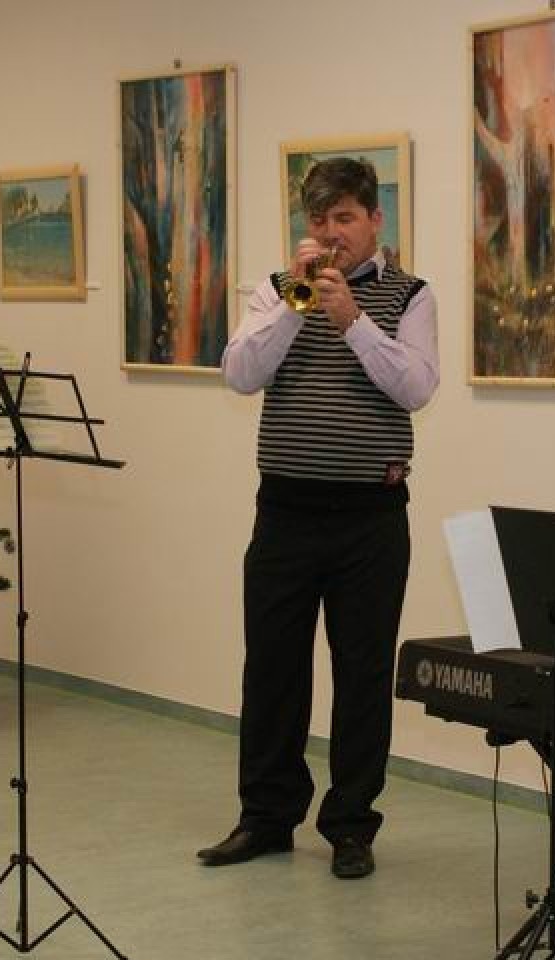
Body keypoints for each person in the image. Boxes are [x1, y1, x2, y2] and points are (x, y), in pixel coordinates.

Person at [198, 158, 439, 879]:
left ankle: (350, 827)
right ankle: (266, 818)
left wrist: (354, 322)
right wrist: (295, 305)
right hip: (285, 510)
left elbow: (417, 387)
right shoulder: (277, 290)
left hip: (369, 516)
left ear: (374, 220)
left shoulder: (411, 295)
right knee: (272, 669)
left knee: (361, 674)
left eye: (345, 218)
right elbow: (240, 373)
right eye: (319, 220)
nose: (332, 234)